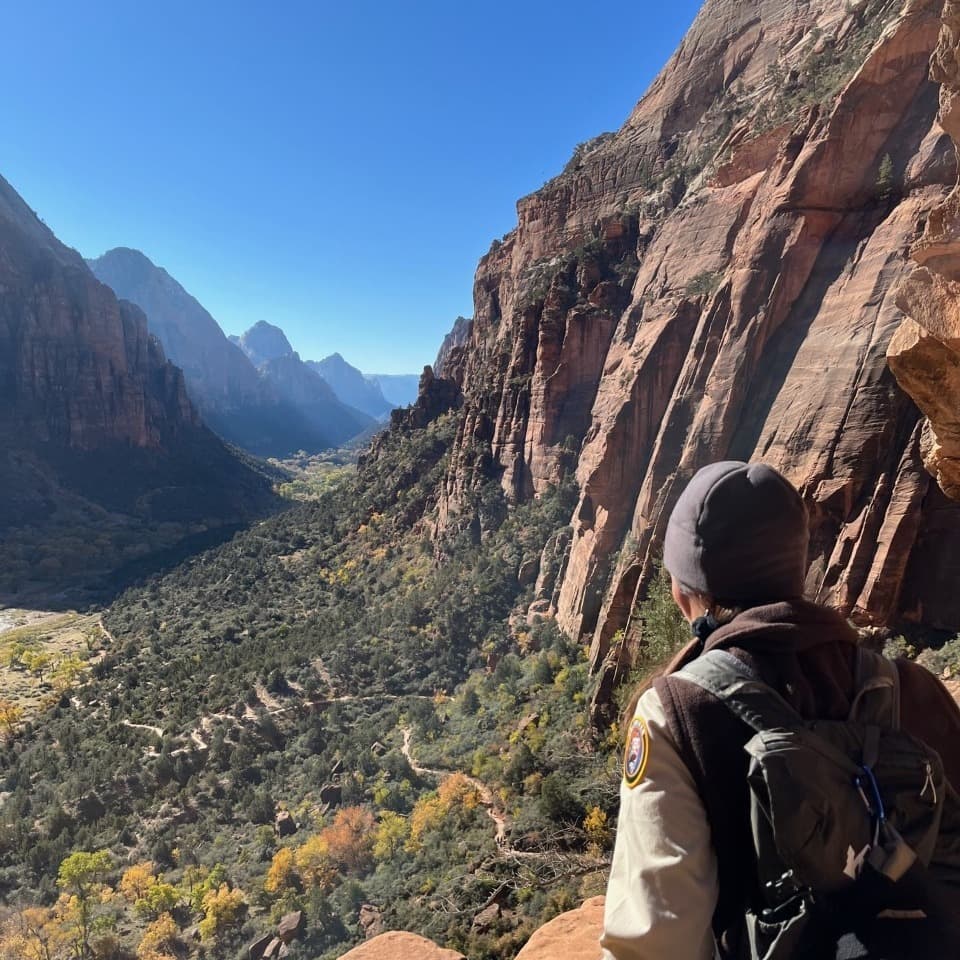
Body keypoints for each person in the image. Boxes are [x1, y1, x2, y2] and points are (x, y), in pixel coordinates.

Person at [599, 461, 960, 960]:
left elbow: (657, 944)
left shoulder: (677, 714)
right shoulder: (912, 688)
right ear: (796, 569)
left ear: (684, 593)